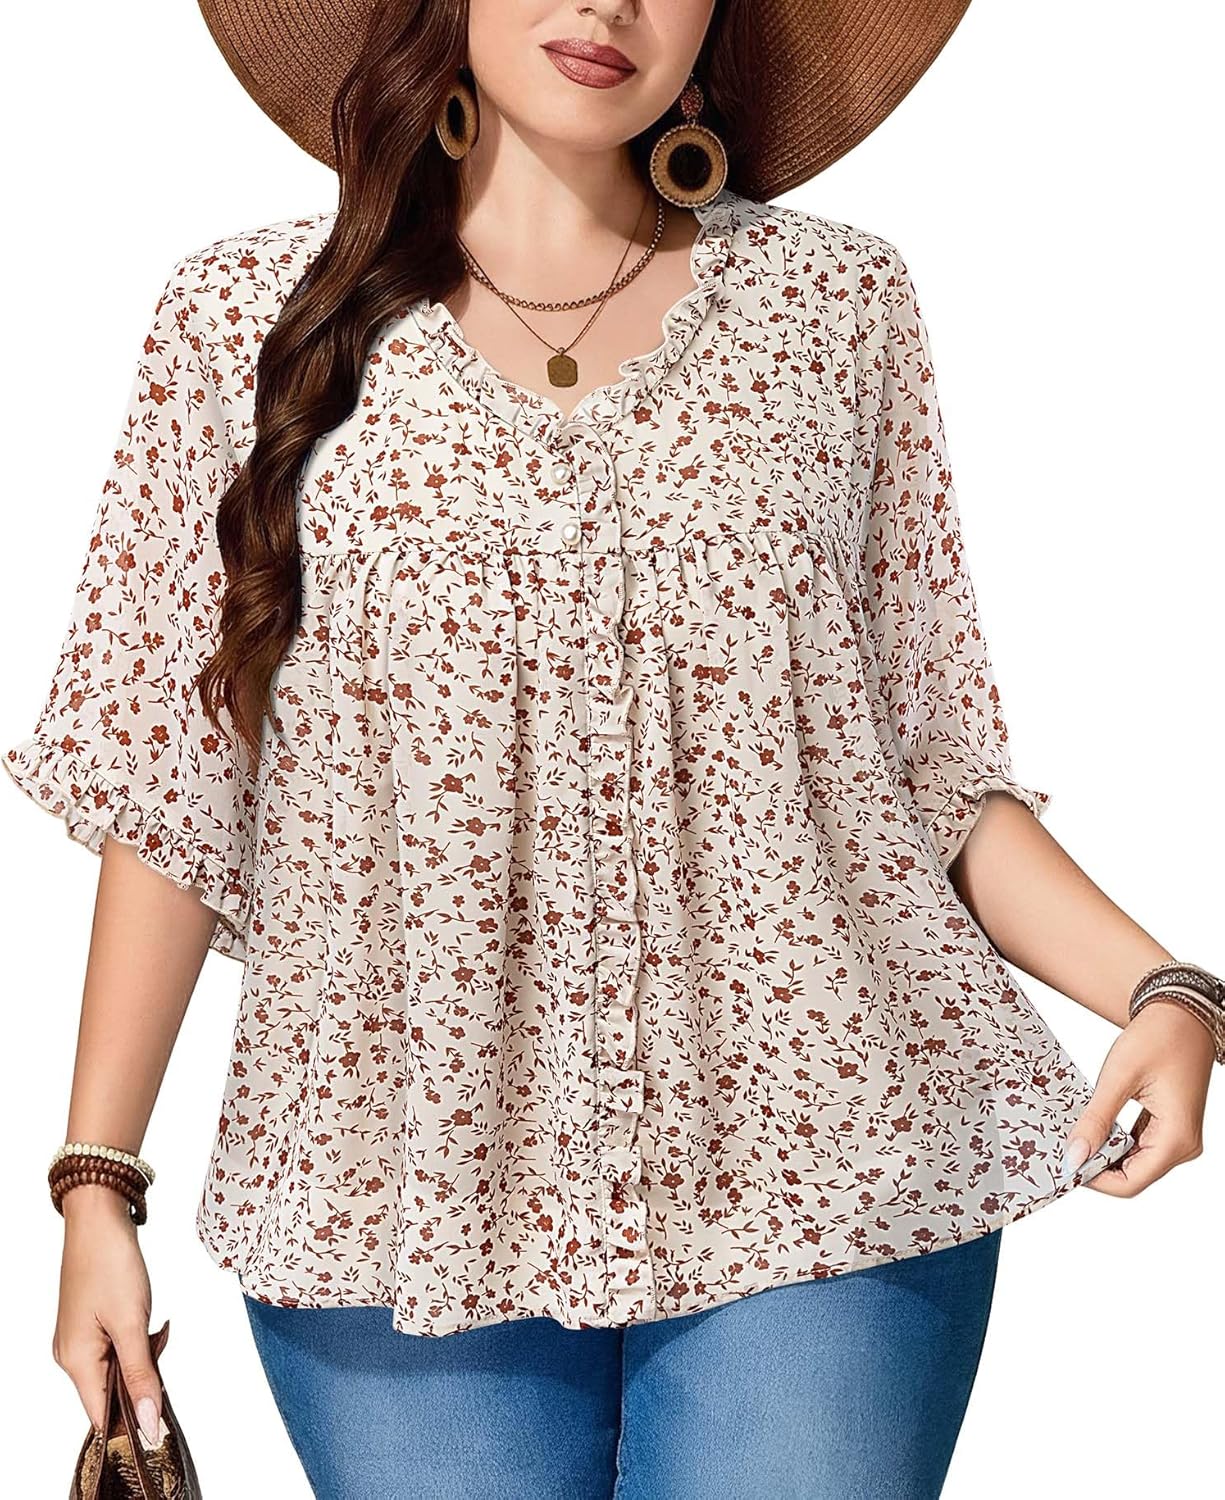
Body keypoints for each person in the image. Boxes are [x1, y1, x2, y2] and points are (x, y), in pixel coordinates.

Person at [10, 2, 1220, 1497]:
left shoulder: (835, 307)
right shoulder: (244, 318)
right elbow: (173, 785)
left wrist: (1167, 991)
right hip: (391, 1185)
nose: (606, 5)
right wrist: (95, 1185)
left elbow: (916, 768)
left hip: (825, 1156)